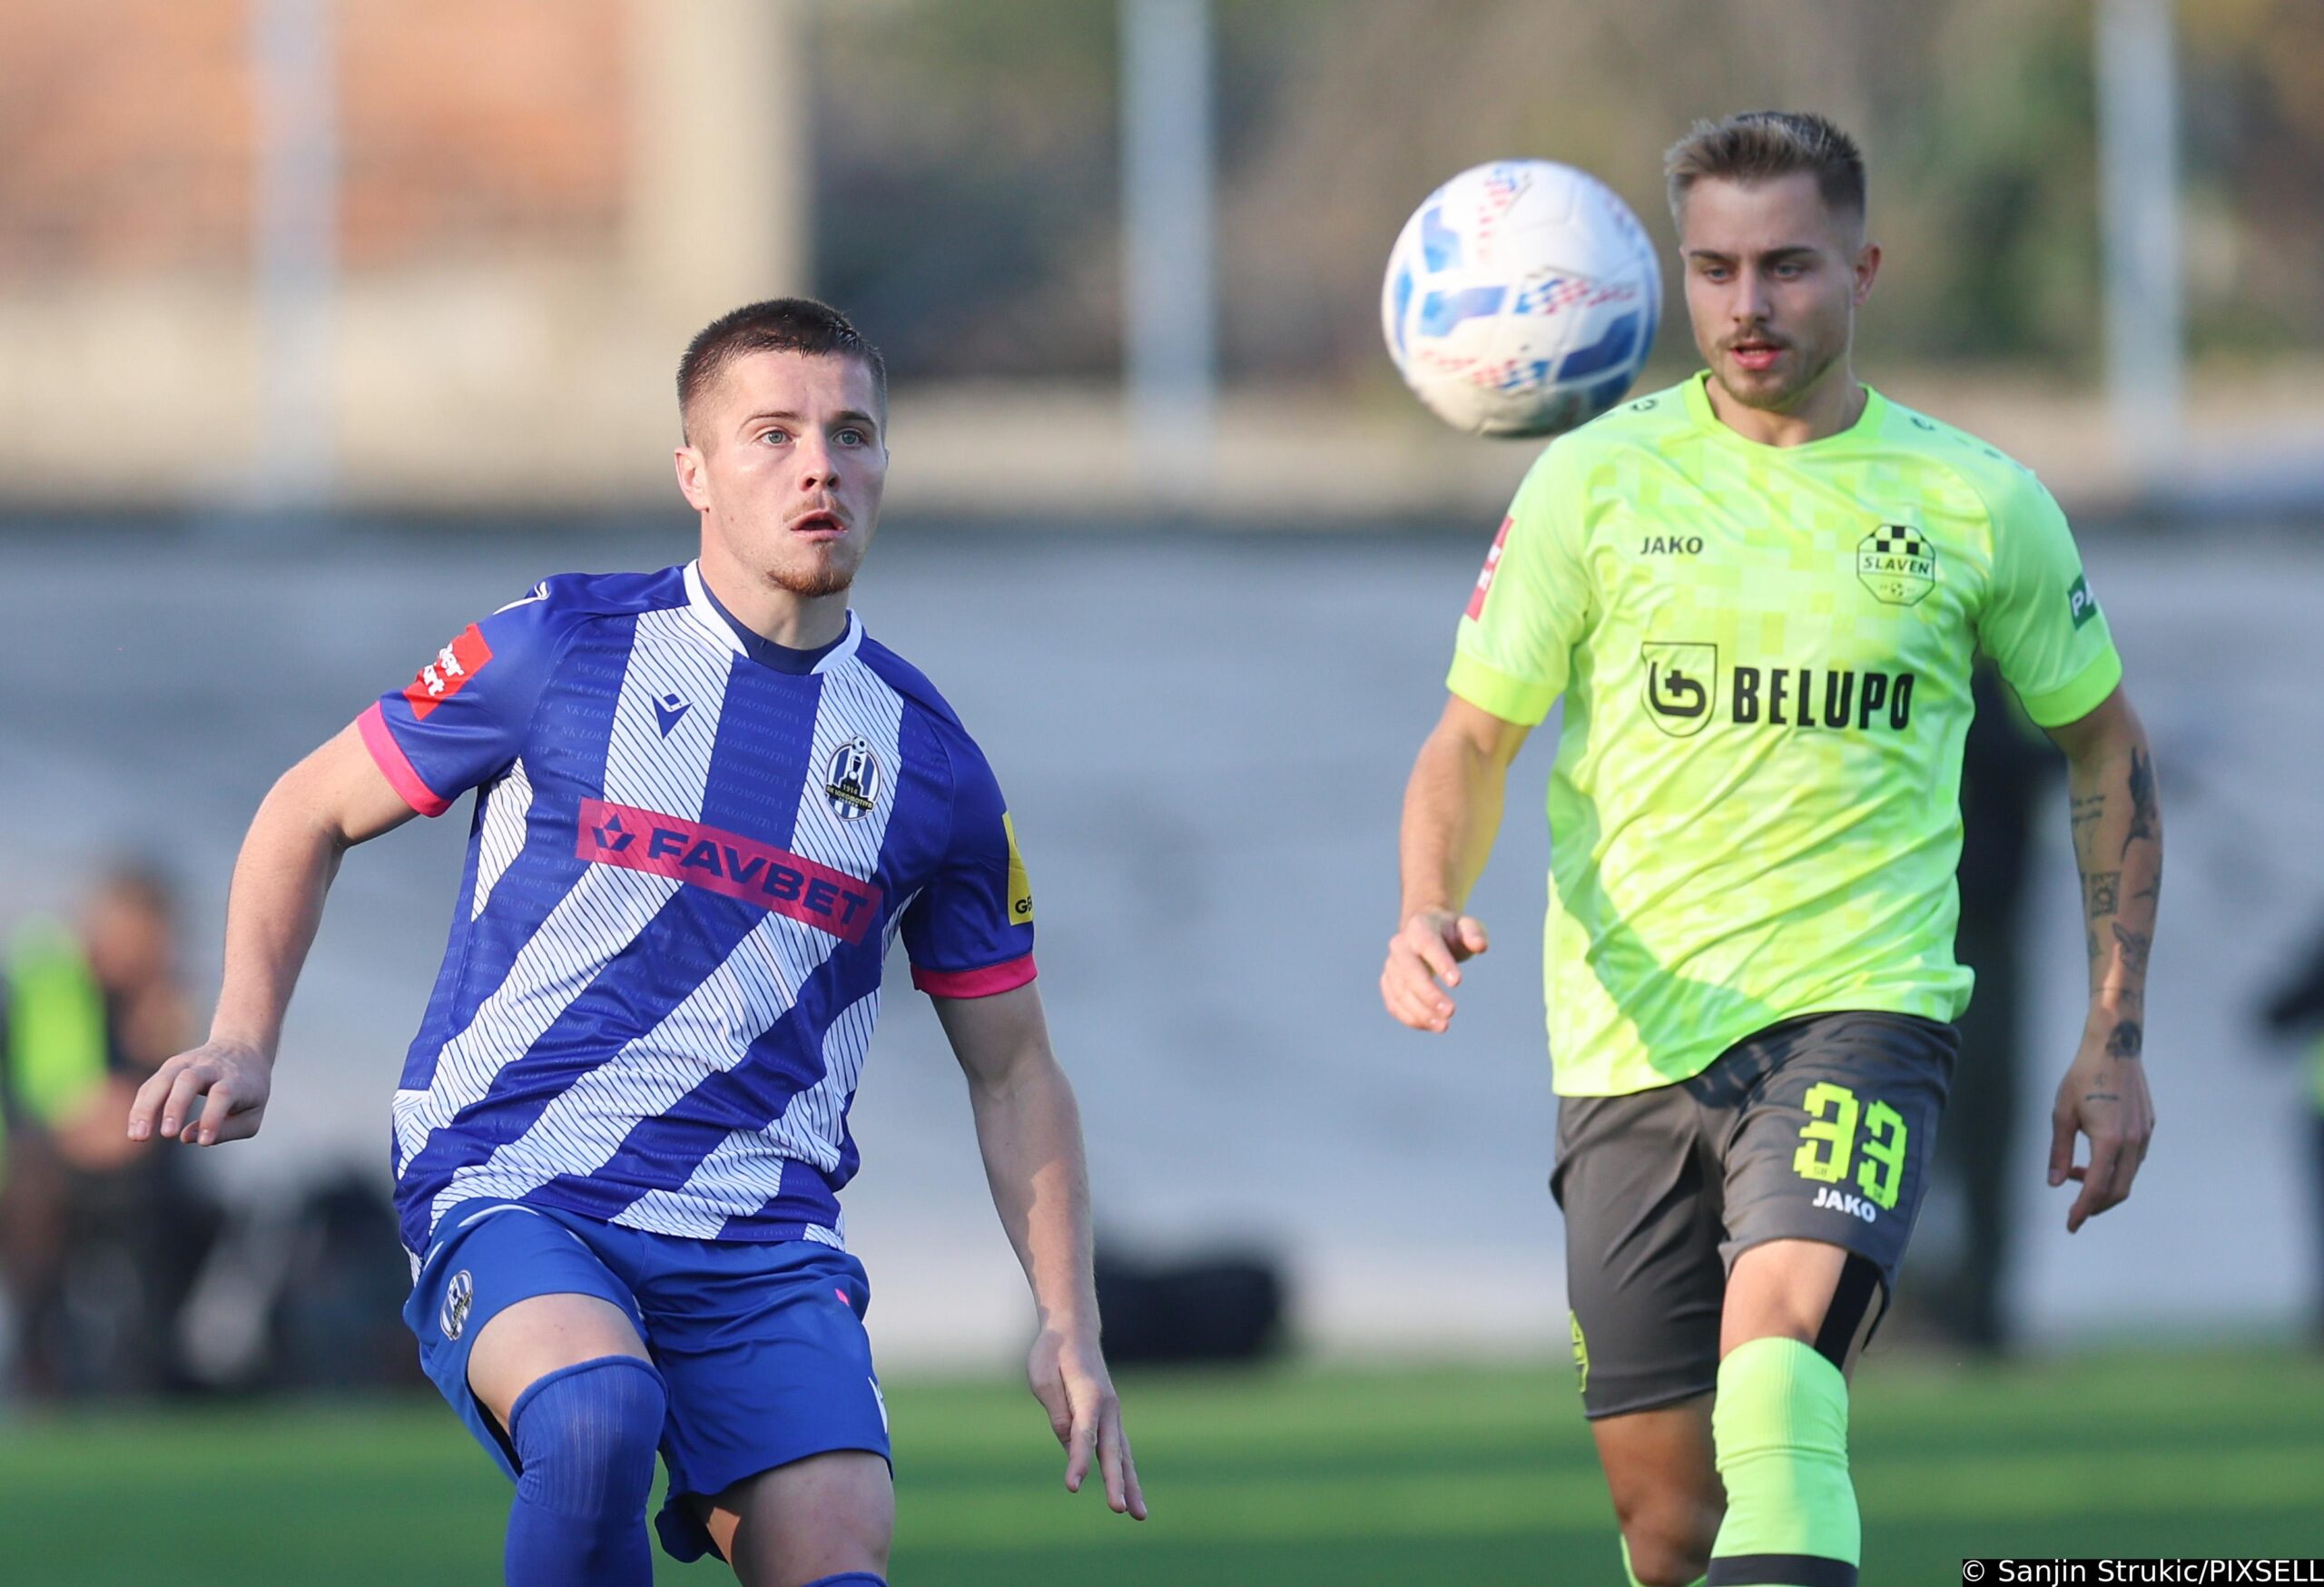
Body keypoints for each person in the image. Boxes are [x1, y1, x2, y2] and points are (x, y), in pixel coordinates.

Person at [128, 299, 1145, 1586]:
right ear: (695, 472)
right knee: (596, 1414)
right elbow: (308, 807)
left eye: (852, 433)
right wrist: (243, 1033)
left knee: (837, 1564)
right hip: (521, 1181)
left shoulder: (930, 764)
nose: (820, 464)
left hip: (761, 1241)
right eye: (771, 434)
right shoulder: (558, 647)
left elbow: (1015, 1070)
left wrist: (1068, 1319)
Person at [1380, 113, 2160, 1587]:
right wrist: (1427, 904)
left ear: (1863, 268)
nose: (1748, 306)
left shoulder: (1974, 501)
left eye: (1788, 266)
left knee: (1778, 1379)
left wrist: (2113, 1035)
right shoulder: (1591, 486)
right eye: (1717, 268)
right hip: (1627, 1040)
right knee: (1668, 1523)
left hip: (1860, 1012)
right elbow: (1470, 742)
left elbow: (2107, 747)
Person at [2, 864, 212, 1396]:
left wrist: (166, 1043)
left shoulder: (137, 994)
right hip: (27, 1172)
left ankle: (143, 1368)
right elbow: (73, 1115)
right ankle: (46, 1376)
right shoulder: (54, 977)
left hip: (80, 1172)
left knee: (193, 1208)